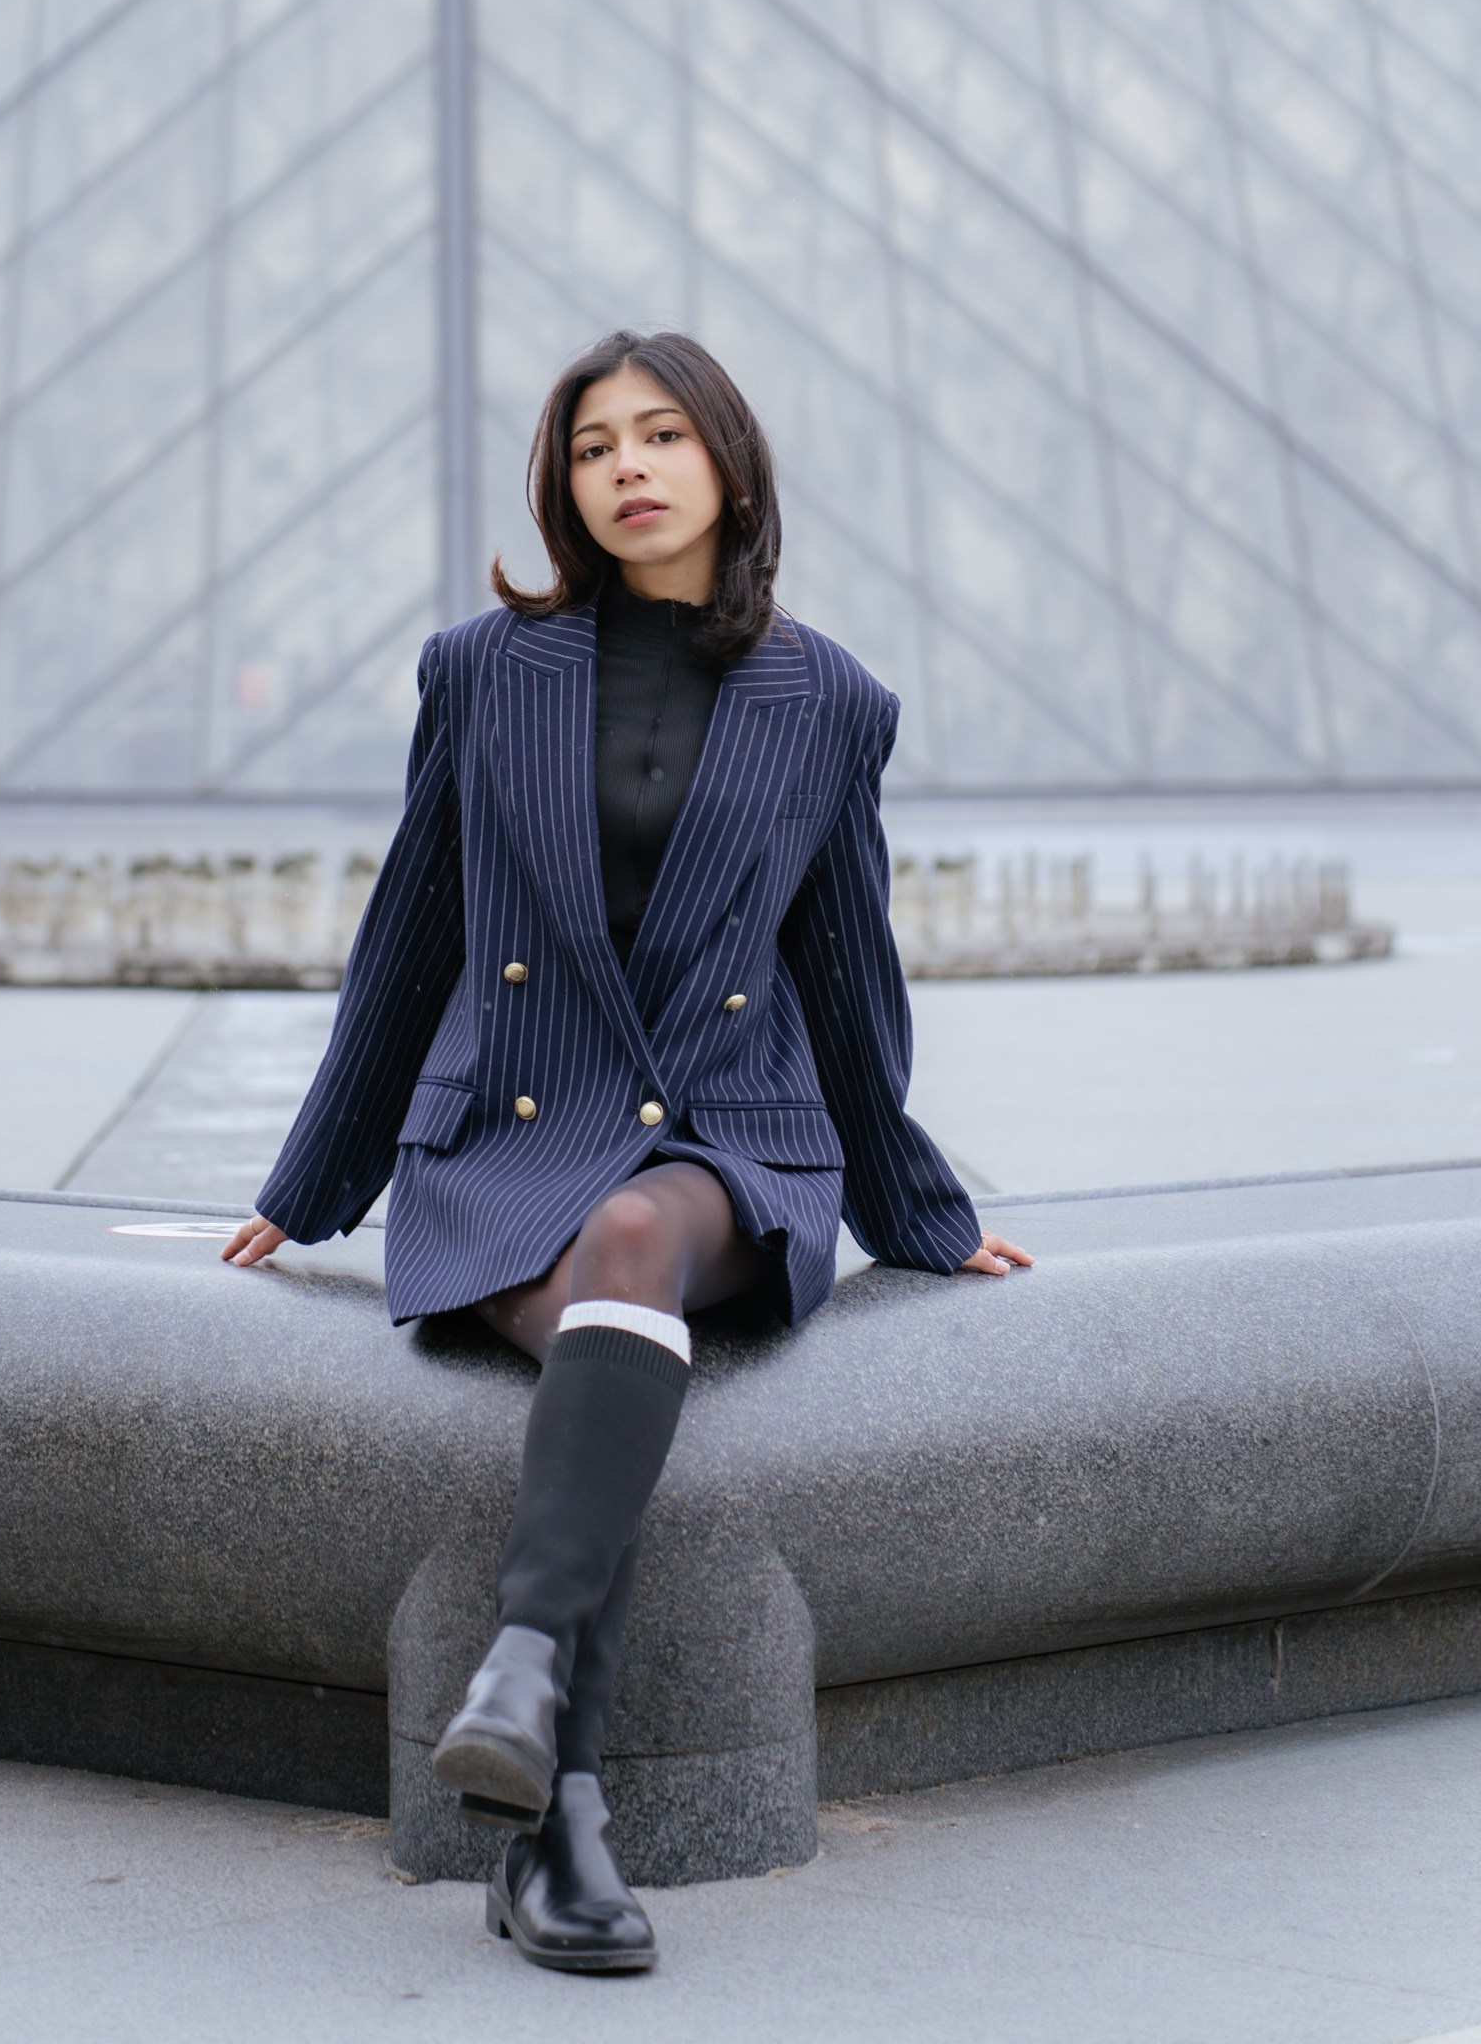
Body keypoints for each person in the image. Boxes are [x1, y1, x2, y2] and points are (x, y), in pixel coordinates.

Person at [222, 330, 1030, 1975]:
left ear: (731, 463)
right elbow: (411, 940)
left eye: (663, 436)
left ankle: (527, 1694)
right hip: (514, 1144)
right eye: (595, 448)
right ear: (565, 484)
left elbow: (845, 976)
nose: (630, 469)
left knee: (642, 1243)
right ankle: (554, 1823)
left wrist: (920, 1213)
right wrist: (308, 1188)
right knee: (614, 1282)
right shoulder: (481, 671)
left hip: (730, 1146)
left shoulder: (831, 701)